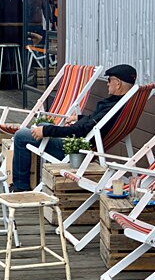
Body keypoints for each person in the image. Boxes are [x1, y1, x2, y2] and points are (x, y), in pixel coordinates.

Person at [10, 64, 138, 192]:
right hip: (80, 141)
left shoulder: (112, 107)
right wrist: (80, 118)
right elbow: (96, 122)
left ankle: (20, 187)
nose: (107, 84)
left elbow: (81, 131)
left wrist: (46, 131)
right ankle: (32, 180)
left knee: (21, 136)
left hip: (74, 149)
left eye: (109, 80)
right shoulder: (122, 105)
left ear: (118, 83)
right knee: (41, 126)